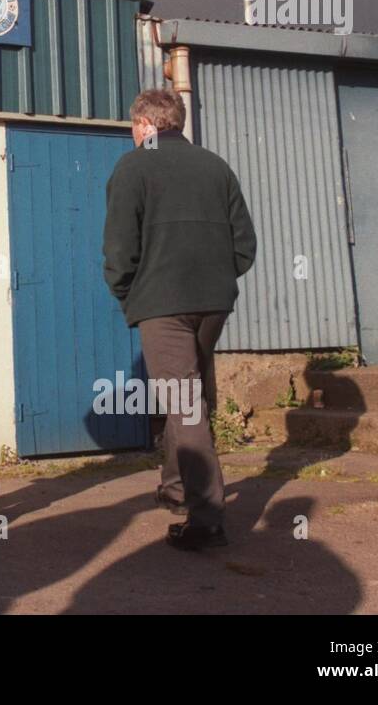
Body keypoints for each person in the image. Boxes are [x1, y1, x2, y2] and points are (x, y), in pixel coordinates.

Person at [102, 88, 257, 551]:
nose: (132, 134)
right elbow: (244, 244)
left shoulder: (133, 166)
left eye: (133, 125)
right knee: (188, 394)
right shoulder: (216, 166)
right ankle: (175, 486)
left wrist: (129, 290)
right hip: (213, 302)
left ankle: (207, 518)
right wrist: (216, 280)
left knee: (183, 401)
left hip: (162, 304)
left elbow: (119, 248)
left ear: (145, 125)